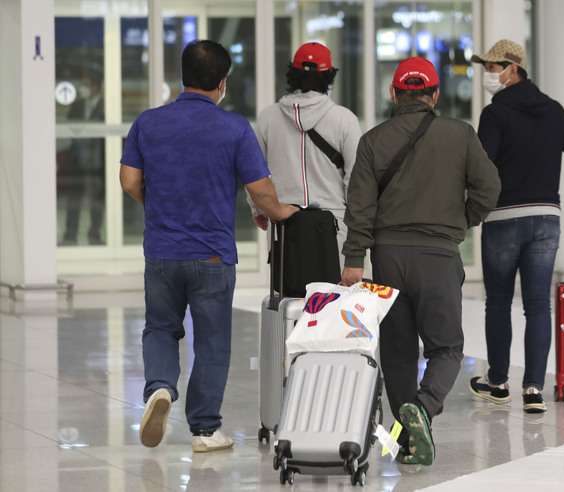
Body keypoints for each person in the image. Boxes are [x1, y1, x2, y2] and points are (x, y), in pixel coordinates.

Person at [119, 40, 298, 452]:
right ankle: (204, 430)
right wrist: (283, 213)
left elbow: (130, 181)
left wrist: (159, 206)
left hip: (162, 251)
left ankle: (160, 389)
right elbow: (262, 192)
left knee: (161, 328)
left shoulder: (148, 122)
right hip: (214, 254)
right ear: (222, 83)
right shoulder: (234, 127)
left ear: (182, 77)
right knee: (213, 341)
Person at [341, 57, 500, 466]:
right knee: (446, 348)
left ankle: (409, 440)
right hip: (439, 256)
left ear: (393, 94)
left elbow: (360, 206)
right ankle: (424, 409)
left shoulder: (373, 140)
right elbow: (490, 187)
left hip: (389, 258)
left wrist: (354, 258)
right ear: (434, 95)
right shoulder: (460, 134)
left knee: (397, 352)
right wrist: (460, 221)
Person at [468, 39, 564, 413]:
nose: (488, 74)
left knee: (497, 303)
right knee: (537, 306)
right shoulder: (553, 111)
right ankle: (533, 391)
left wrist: (469, 203)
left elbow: (482, 166)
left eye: (493, 67)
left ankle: (497, 383)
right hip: (546, 218)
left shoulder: (495, 114)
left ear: (513, 69)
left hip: (503, 219)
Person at [250, 42, 361, 265]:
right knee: (332, 297)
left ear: (292, 74)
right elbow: (356, 179)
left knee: (288, 296)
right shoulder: (345, 119)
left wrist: (259, 208)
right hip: (334, 226)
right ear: (329, 75)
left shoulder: (268, 118)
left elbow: (254, 174)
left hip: (284, 225)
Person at [59, 74, 105, 245]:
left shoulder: (106, 106)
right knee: (74, 199)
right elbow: (69, 128)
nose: (82, 88)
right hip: (77, 160)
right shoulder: (77, 106)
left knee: (96, 201)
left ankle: (95, 235)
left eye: (85, 84)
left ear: (95, 86)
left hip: (97, 161)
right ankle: (70, 235)